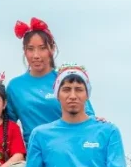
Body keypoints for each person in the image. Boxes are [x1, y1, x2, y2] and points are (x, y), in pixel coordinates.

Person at [5, 17, 95, 146]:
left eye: (42, 48)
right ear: (24, 51)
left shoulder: (65, 79)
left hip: (70, 148)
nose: (36, 55)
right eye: (30, 49)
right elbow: (5, 127)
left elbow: (89, 116)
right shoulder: (15, 87)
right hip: (35, 153)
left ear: (52, 49)